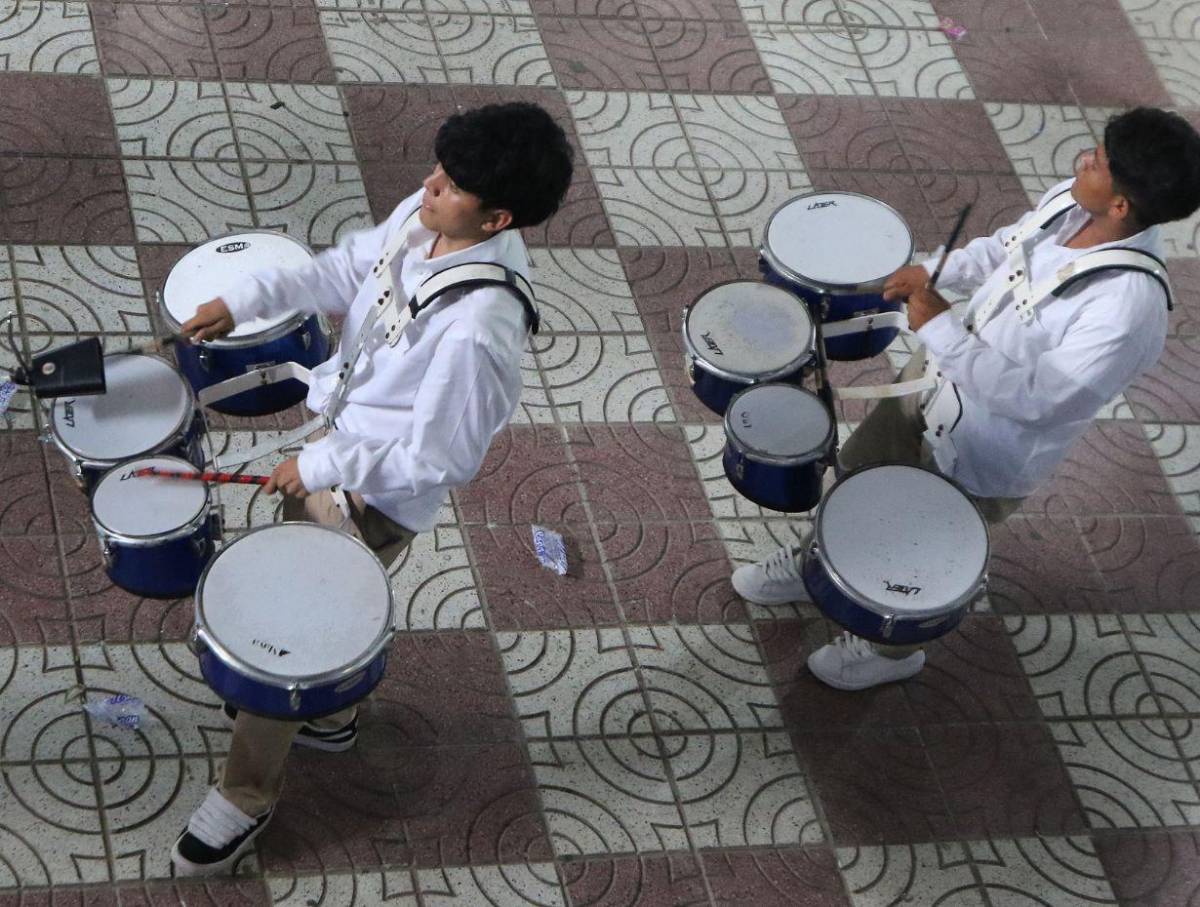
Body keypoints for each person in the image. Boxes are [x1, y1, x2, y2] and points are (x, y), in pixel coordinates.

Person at [169, 102, 574, 877]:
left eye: (453, 186)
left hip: (374, 494)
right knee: (306, 608)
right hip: (340, 440)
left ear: (498, 219)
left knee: (281, 631)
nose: (430, 186)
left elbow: (442, 457)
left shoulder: (480, 329)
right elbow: (343, 267)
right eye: (440, 169)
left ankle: (246, 796)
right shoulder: (428, 217)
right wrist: (246, 300)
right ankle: (332, 716)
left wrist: (323, 468)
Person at [734, 106, 1200, 691]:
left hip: (983, 449)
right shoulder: (1073, 202)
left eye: (1099, 161)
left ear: (1122, 205)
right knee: (857, 476)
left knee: (921, 546)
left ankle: (891, 650)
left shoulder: (1127, 310)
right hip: (936, 380)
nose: (1084, 160)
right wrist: (931, 271)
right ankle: (815, 563)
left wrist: (938, 326)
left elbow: (1036, 400)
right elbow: (1003, 248)